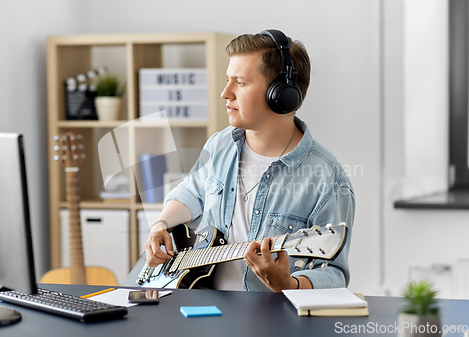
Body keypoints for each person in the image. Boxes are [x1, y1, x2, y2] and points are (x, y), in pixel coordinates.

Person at [142, 29, 355, 292]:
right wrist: (160, 225)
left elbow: (334, 275)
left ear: (281, 94)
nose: (225, 93)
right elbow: (191, 192)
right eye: (227, 80)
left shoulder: (327, 179)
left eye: (240, 83)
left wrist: (289, 284)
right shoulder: (221, 144)